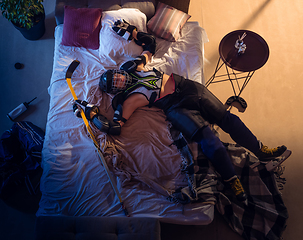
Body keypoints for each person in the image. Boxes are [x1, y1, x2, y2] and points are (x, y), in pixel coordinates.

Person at [73, 20, 289, 203]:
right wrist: (92, 114)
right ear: (116, 90)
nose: (120, 79)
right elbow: (114, 128)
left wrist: (131, 31)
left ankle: (260, 149)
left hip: (187, 87)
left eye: (117, 75)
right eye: (116, 83)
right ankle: (232, 180)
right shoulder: (127, 102)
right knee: (208, 139)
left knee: (227, 118)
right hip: (174, 107)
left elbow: (150, 44)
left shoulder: (134, 67)